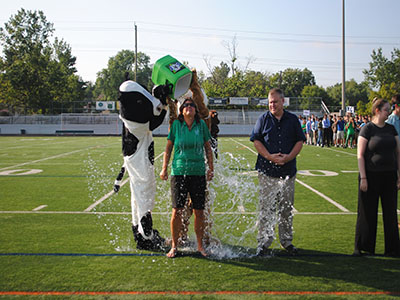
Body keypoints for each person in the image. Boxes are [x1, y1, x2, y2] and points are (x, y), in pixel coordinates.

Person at [250, 88, 306, 256]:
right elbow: (256, 141)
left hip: (288, 171)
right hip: (267, 172)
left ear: (283, 101)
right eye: (270, 102)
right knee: (266, 209)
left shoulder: (293, 119)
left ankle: (286, 241)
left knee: (286, 209)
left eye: (275, 101)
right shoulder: (263, 119)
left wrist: (288, 157)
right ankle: (264, 243)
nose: (272, 105)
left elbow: (299, 141)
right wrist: (270, 157)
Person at [160, 98, 214, 258]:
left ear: (195, 110)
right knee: (177, 210)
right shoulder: (177, 125)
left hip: (198, 173)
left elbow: (208, 148)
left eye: (192, 105)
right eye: (186, 105)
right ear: (181, 110)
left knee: (199, 211)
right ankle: (175, 246)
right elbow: (168, 148)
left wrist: (211, 168)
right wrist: (164, 168)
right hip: (178, 172)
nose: (189, 107)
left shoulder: (201, 125)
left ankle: (200, 245)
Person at [353, 98, 400, 257]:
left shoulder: (391, 129)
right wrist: (364, 178)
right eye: (387, 109)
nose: (389, 111)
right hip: (371, 176)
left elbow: (398, 153)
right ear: (378, 110)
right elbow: (360, 154)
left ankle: (393, 249)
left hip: (389, 175)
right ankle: (364, 247)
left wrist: (399, 175)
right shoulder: (367, 129)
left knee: (391, 213)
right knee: (367, 213)